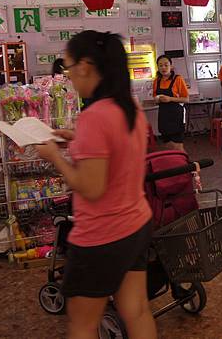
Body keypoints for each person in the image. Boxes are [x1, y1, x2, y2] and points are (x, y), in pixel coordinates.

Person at [36, 31, 156, 339]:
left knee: (82, 322)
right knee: (137, 310)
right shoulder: (129, 107)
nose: (69, 75)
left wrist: (55, 157)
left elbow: (90, 188)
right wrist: (76, 140)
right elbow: (119, 151)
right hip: (136, 224)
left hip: (102, 235)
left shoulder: (94, 117)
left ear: (86, 66)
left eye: (68, 66)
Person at [153, 55, 189, 152]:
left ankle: (186, 165)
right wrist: (157, 99)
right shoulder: (156, 81)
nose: (163, 68)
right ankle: (175, 165)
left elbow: (186, 99)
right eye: (160, 65)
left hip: (176, 116)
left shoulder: (178, 79)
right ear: (157, 67)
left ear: (171, 66)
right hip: (164, 116)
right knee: (168, 145)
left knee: (178, 146)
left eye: (166, 65)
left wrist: (170, 99)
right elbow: (155, 97)